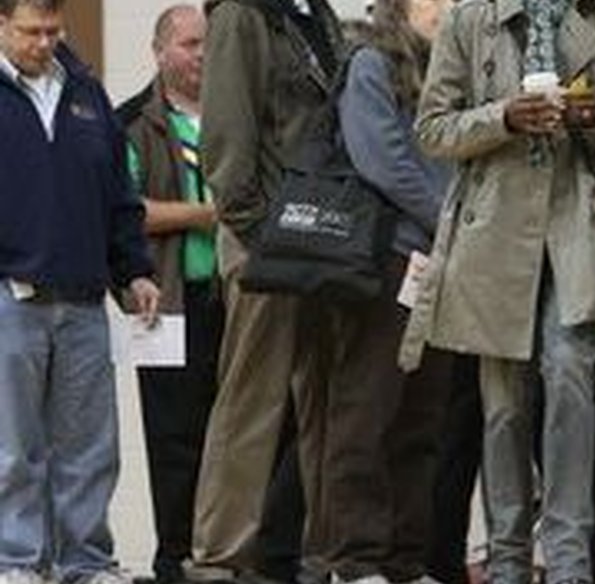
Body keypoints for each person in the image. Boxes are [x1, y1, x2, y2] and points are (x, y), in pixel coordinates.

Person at [401, 0, 595, 581]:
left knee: (569, 375)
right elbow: (433, 129)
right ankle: (508, 559)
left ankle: (567, 561)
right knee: (505, 406)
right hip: (492, 233)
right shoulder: (469, 18)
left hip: (575, 227)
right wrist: (504, 117)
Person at [0, 0, 161, 583]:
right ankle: (16, 561)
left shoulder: (86, 94)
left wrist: (134, 270)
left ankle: (86, 563)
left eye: (52, 31)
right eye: (29, 32)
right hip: (10, 296)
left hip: (85, 297)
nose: (43, 43)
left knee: (90, 447)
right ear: (1, 25)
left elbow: (120, 196)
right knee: (15, 448)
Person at [296, 0, 455, 581]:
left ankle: (405, 559)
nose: (448, 8)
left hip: (441, 263)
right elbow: (382, 160)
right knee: (366, 408)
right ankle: (356, 559)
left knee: (423, 415)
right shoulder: (370, 63)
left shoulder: (454, 69)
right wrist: (449, 219)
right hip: (386, 258)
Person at [193, 0, 344, 580]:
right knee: (251, 400)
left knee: (327, 402)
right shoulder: (240, 14)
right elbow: (226, 132)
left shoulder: (317, 15)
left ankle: (328, 552)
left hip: (324, 234)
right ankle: (220, 555)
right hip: (265, 237)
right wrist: (253, 228)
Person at [116, 7, 222, 583]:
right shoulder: (132, 121)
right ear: (159, 52)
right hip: (169, 302)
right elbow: (125, 210)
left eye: (208, 42)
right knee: (175, 438)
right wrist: (204, 215)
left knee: (236, 433)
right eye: (187, 44)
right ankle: (174, 558)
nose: (201, 54)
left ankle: (226, 553)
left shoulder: (238, 113)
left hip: (238, 300)